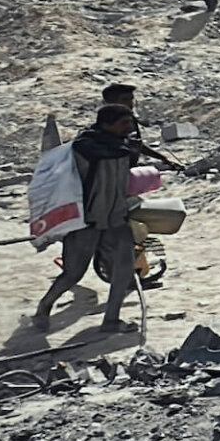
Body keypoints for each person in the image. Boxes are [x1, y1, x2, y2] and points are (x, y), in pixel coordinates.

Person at [31, 105, 143, 334]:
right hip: (86, 221)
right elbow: (93, 163)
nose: (129, 128)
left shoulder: (122, 146)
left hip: (115, 218)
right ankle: (44, 308)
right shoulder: (86, 146)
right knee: (73, 273)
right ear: (107, 124)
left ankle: (111, 320)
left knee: (124, 269)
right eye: (124, 123)